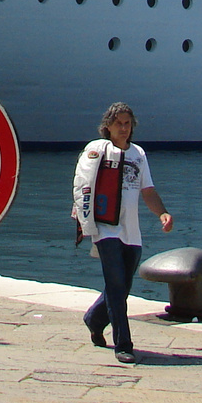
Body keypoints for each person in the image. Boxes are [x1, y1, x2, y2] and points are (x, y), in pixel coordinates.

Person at [70, 102, 173, 364]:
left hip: (131, 231)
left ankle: (94, 319)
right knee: (116, 286)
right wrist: (84, 221)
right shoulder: (98, 151)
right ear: (108, 126)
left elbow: (147, 190)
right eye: (119, 124)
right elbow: (83, 185)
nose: (124, 129)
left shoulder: (139, 154)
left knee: (123, 285)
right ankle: (123, 344)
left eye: (128, 124)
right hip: (106, 228)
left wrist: (162, 212)